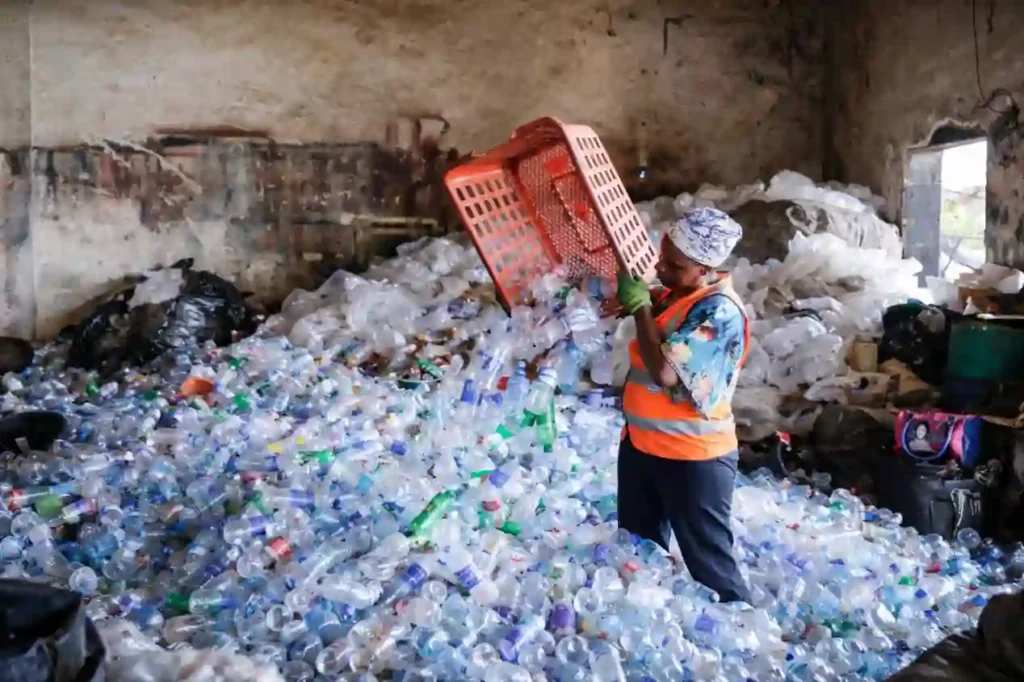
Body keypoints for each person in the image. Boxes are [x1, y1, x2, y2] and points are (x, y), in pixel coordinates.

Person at [615, 207, 751, 603]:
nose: (661, 269)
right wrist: (641, 299)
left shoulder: (719, 312)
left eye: (674, 265)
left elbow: (665, 373)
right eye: (663, 257)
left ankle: (744, 641)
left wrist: (640, 307)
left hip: (693, 459)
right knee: (638, 554)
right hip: (642, 447)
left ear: (705, 269)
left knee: (711, 570)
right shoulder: (681, 295)